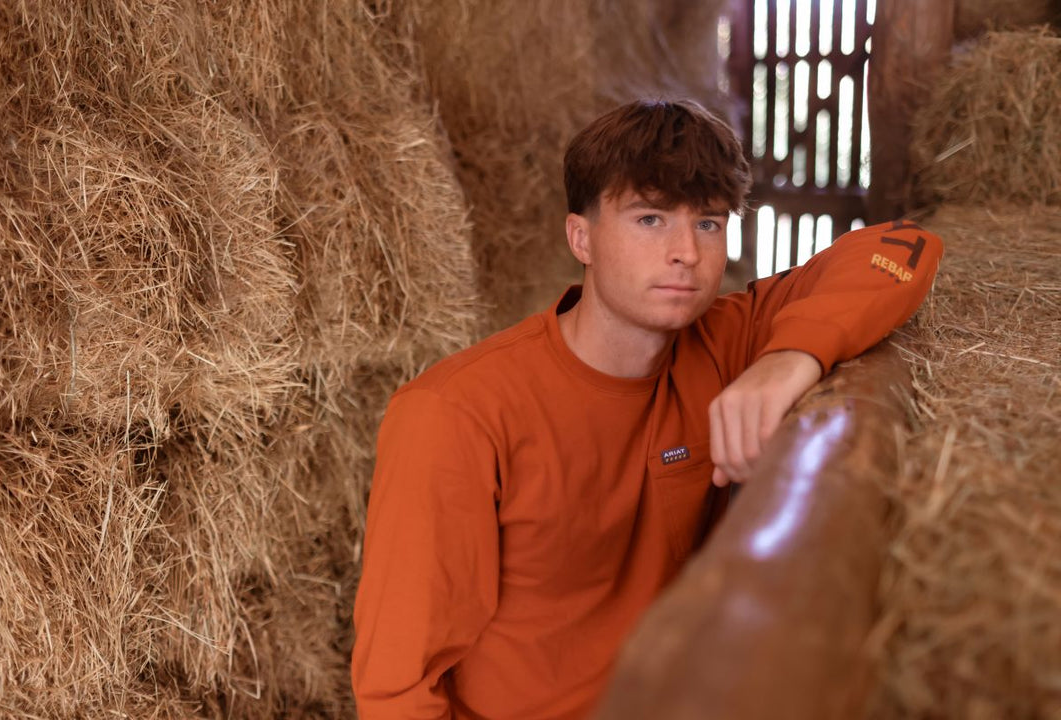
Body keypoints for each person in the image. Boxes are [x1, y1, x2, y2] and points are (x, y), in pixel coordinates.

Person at [351, 99, 942, 719]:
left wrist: (792, 358)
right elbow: (396, 689)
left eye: (708, 223)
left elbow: (906, 248)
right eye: (651, 218)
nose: (686, 251)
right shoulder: (454, 414)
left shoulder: (730, 339)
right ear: (581, 237)